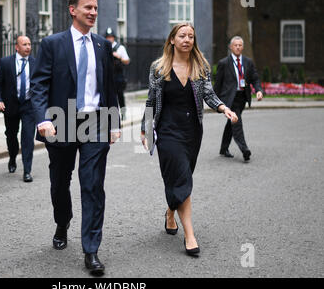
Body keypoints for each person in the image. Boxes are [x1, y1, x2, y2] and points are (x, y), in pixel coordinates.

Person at [30, 0, 120, 276]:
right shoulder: (52, 44)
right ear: (73, 10)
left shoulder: (102, 46)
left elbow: (110, 87)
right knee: (59, 182)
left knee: (92, 184)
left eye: (95, 7)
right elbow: (39, 85)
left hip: (95, 121)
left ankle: (91, 250)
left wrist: (114, 122)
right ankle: (62, 221)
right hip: (61, 121)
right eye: (87, 7)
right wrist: (43, 119)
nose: (93, 12)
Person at [141, 23, 238, 257]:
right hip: (167, 132)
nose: (187, 39)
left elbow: (208, 93)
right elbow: (151, 100)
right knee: (182, 176)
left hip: (192, 132)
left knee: (182, 178)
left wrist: (223, 107)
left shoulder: (201, 66)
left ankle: (169, 212)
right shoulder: (159, 68)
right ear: (172, 40)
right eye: (182, 35)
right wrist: (145, 131)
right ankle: (190, 235)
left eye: (191, 36)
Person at [0, 35, 36, 182]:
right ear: (17, 47)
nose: (28, 47)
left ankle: (27, 170)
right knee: (11, 135)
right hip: (11, 105)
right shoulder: (5, 62)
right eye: (24, 44)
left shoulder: (36, 63)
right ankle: (12, 157)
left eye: (29, 44)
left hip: (29, 105)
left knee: (28, 137)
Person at [214, 36, 263, 162]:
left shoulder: (248, 62)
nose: (238, 47)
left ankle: (223, 148)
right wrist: (215, 102)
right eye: (235, 45)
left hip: (242, 97)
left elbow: (255, 78)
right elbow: (218, 84)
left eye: (240, 45)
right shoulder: (224, 63)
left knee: (232, 122)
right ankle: (244, 149)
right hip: (229, 98)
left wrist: (258, 90)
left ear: (243, 47)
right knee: (236, 121)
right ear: (231, 47)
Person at [105, 27, 130, 120]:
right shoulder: (104, 46)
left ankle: (123, 114)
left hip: (118, 75)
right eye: (108, 37)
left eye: (111, 37)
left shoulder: (120, 48)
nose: (109, 39)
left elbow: (127, 61)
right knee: (110, 96)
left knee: (120, 96)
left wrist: (119, 57)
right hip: (108, 75)